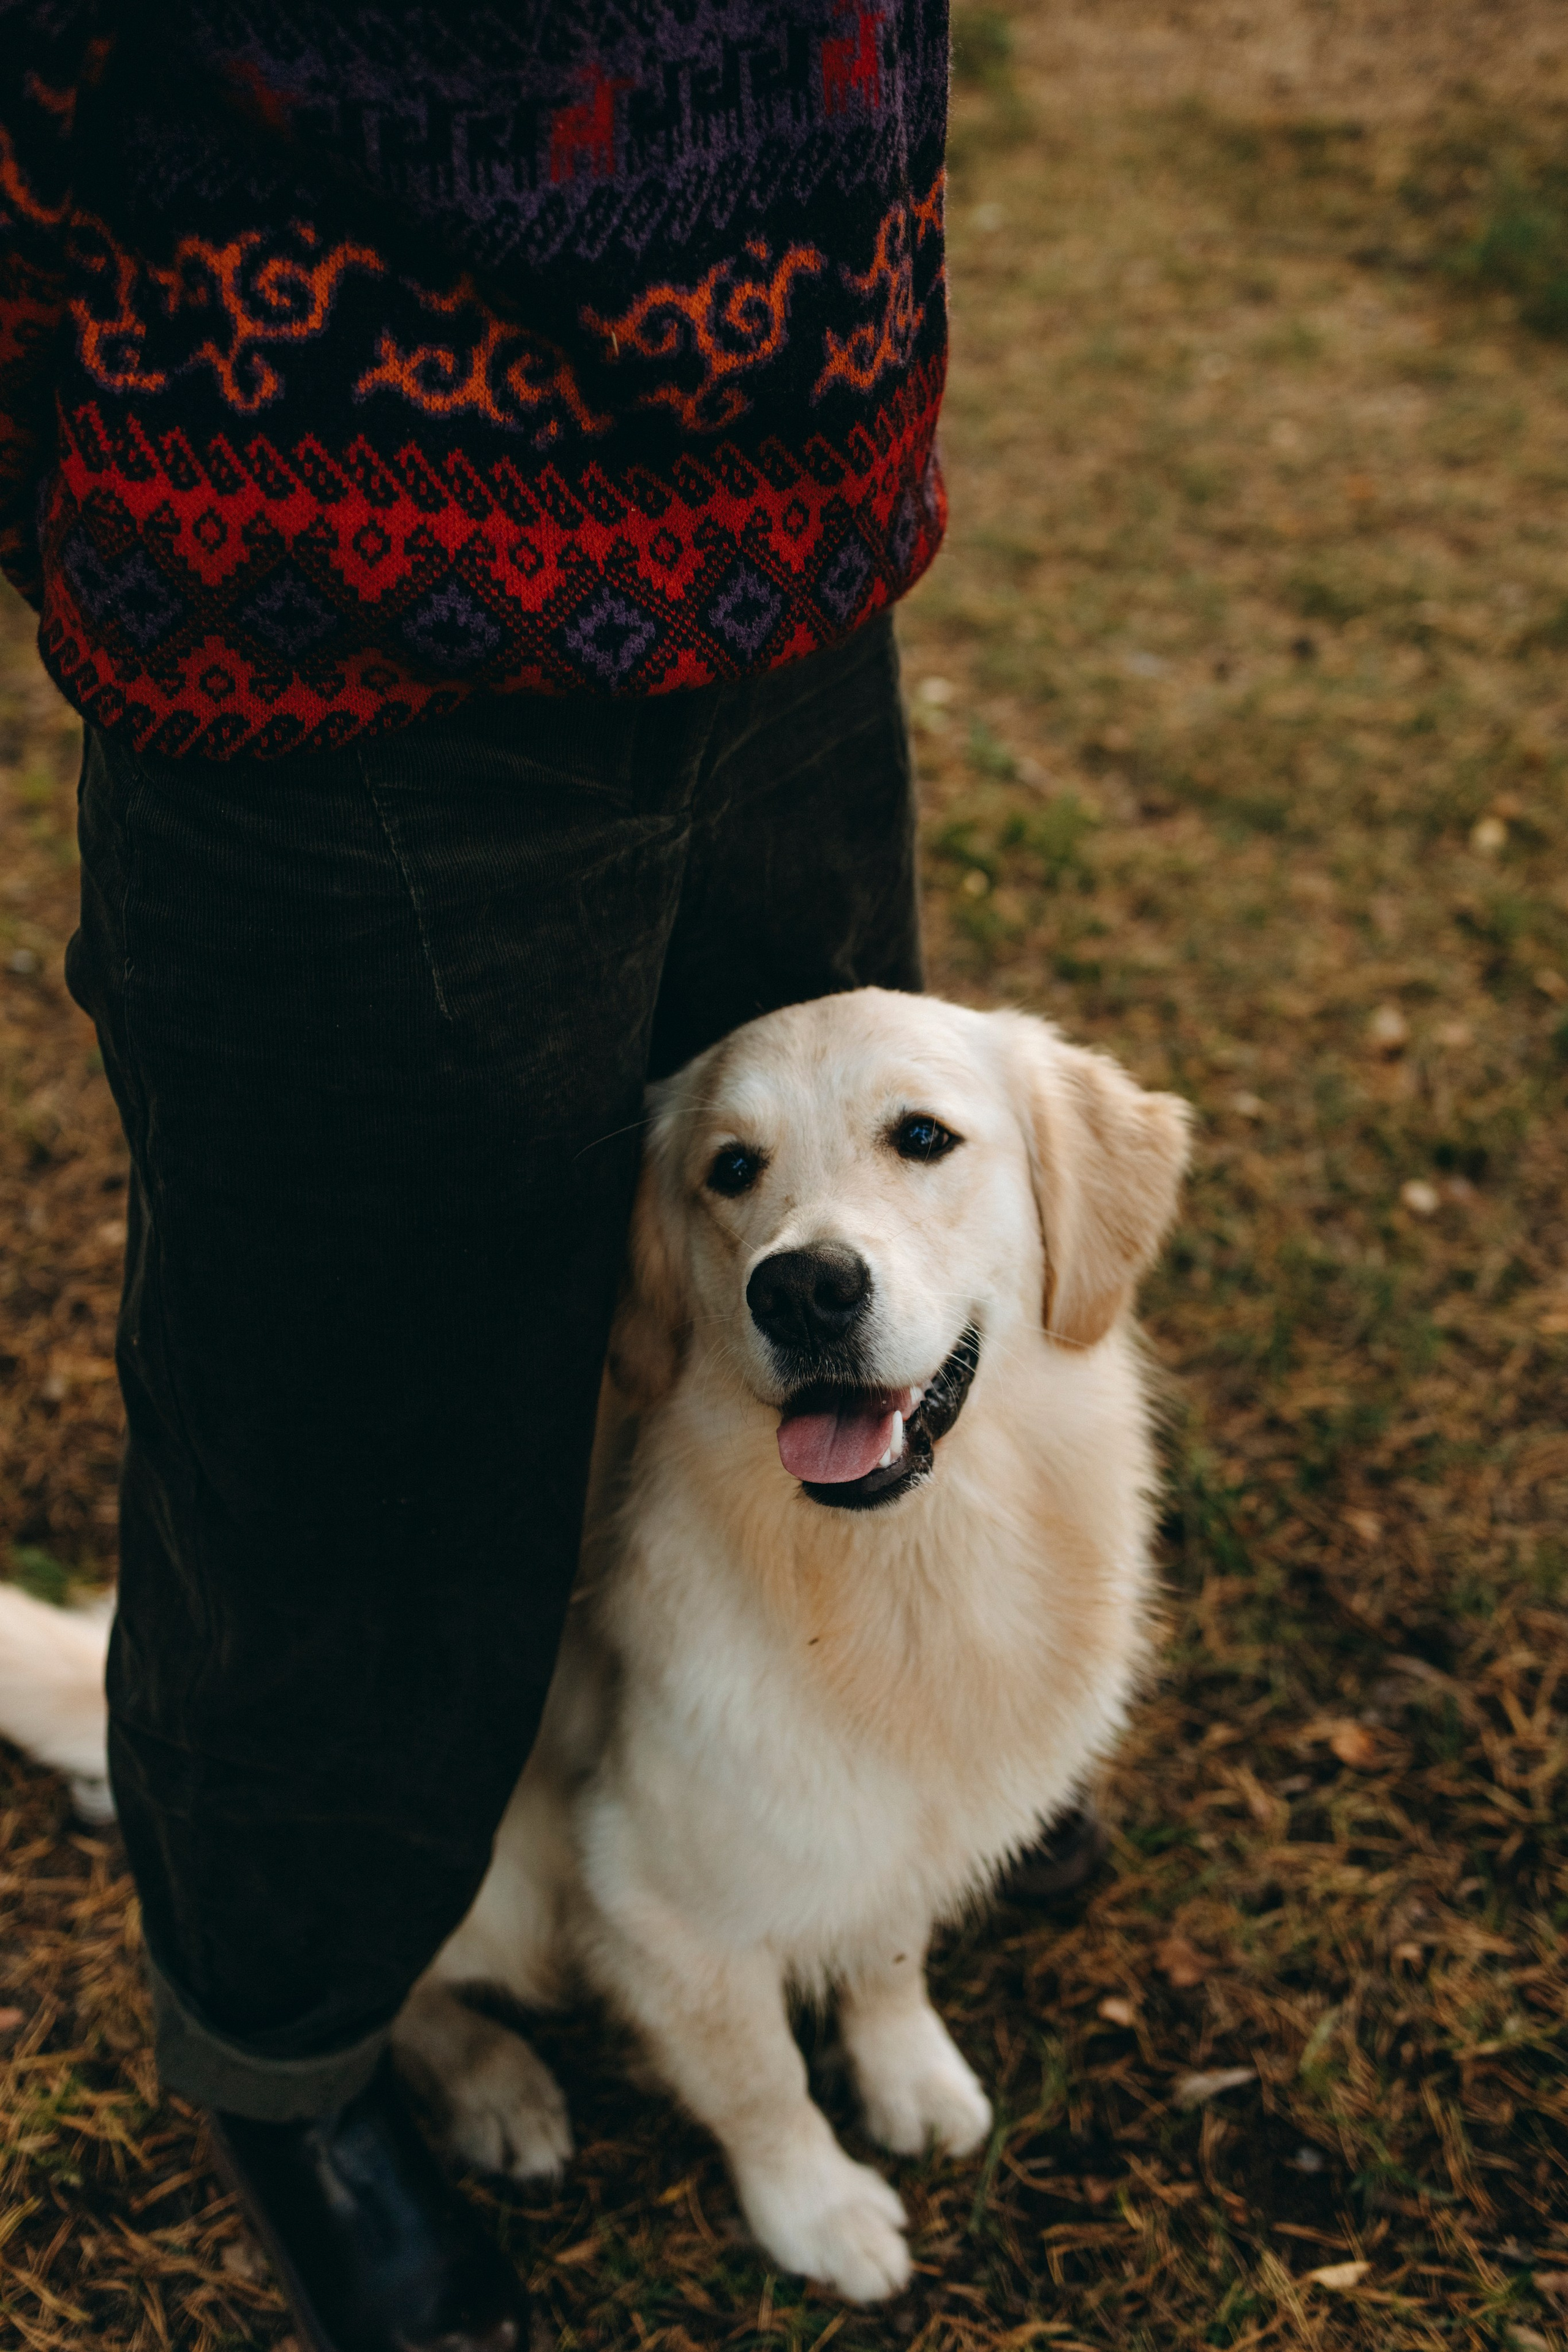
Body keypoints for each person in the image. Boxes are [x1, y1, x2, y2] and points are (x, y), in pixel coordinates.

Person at [0, 9, 1098, 2347]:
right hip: (320, 583)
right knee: (357, 1440)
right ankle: (297, 2043)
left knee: (814, 1293)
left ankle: (864, 1821)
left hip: (798, 515)